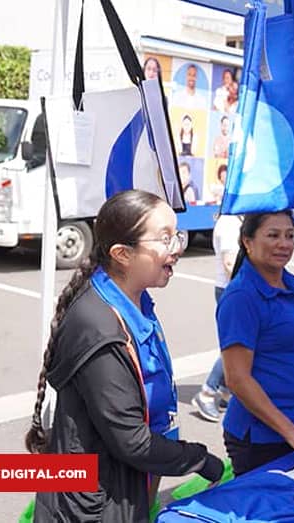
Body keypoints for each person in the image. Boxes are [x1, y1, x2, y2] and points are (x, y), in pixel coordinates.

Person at [25, 190, 223, 522]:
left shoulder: (135, 301)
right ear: (122, 254)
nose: (177, 249)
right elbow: (130, 440)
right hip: (94, 506)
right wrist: (198, 459)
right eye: (164, 239)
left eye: (176, 235)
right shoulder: (100, 327)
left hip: (129, 484)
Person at [216, 211, 294, 474]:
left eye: (290, 235)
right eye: (273, 235)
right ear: (247, 241)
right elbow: (237, 378)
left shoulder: (289, 282)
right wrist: (291, 432)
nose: (284, 243)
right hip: (262, 438)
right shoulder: (241, 297)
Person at [192, 213, 243, 422]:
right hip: (230, 290)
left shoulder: (235, 220)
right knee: (236, 347)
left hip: (231, 290)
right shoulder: (230, 223)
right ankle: (207, 392)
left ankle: (224, 390)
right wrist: (245, 292)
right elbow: (230, 263)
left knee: (239, 344)